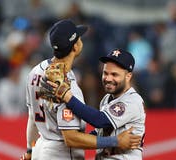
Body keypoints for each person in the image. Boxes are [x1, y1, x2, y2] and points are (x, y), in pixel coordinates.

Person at [22, 20, 141, 160]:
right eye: (79, 37)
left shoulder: (35, 72)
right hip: (60, 153)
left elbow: (32, 117)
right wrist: (114, 141)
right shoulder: (67, 86)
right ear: (75, 46)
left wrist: (30, 150)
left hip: (40, 148)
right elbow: (71, 138)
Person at [41, 49, 146, 160]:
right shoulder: (107, 99)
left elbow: (100, 120)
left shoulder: (132, 100)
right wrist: (72, 137)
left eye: (114, 74)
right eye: (105, 73)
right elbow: (99, 133)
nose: (108, 78)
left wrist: (67, 97)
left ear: (128, 76)